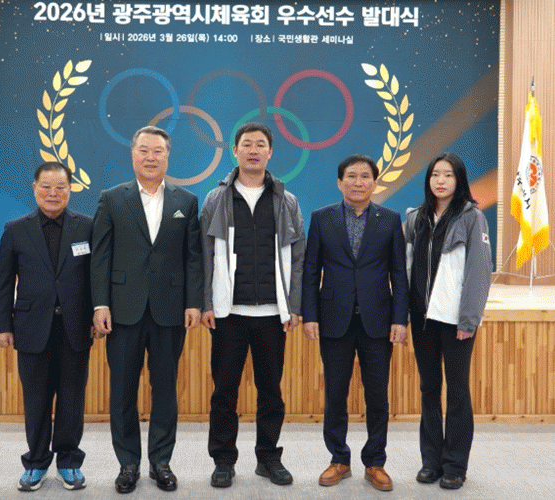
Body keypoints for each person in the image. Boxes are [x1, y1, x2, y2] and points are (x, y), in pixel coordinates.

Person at [91, 125, 203, 494]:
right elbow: (100, 256)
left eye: (157, 151)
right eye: (144, 150)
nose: (150, 157)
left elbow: (193, 257)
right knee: (122, 391)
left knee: (165, 390)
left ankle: (161, 462)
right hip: (122, 310)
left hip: (170, 310)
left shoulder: (186, 201)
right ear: (133, 154)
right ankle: (128, 464)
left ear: (168, 156)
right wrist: (100, 304)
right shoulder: (111, 198)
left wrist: (194, 301)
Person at [200, 122, 305, 488]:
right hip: (228, 313)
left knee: (271, 392)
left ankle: (268, 458)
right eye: (247, 144)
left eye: (261, 144)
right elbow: (205, 254)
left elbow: (298, 257)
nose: (254, 150)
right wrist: (206, 302)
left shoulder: (286, 200)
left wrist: (294, 305)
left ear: (270, 152)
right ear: (235, 151)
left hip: (273, 315)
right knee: (224, 393)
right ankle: (223, 461)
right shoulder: (217, 199)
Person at [301, 154, 409, 492]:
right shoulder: (321, 218)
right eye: (351, 176)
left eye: (364, 176)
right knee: (335, 395)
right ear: (340, 182)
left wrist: (400, 319)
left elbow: (399, 275)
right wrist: (310, 314)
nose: (358, 182)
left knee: (377, 396)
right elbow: (310, 271)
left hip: (378, 322)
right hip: (333, 320)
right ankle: (339, 459)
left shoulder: (390, 220)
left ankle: (375, 462)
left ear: (374, 183)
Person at [0, 161, 94, 492]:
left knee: (71, 398)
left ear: (70, 190)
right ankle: (36, 463)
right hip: (30, 326)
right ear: (35, 189)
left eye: (60, 187)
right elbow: (4, 282)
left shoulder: (86, 226)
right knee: (35, 400)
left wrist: (96, 315)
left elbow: (95, 278)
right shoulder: (15, 229)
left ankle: (68, 462)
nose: (53, 193)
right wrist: (2, 325)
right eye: (47, 187)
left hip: (75, 326)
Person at [404, 153, 491, 490]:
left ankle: (455, 465)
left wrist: (469, 319)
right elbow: (407, 267)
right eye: (435, 174)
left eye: (448, 175)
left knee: (456, 392)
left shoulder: (472, 218)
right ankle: (431, 461)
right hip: (422, 318)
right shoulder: (416, 218)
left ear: (459, 180)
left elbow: (479, 272)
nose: (440, 181)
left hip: (455, 321)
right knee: (428, 389)